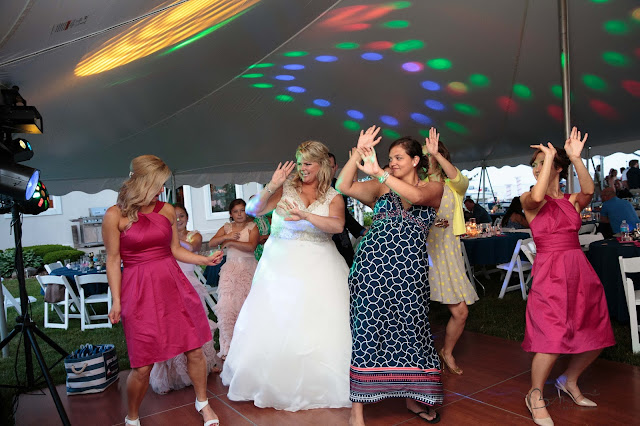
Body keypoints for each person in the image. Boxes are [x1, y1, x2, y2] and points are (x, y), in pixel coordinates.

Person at [221, 141, 352, 411]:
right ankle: (271, 381)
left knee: (319, 322)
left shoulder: (332, 195)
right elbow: (253, 211)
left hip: (320, 263)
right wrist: (271, 184)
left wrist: (305, 215)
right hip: (280, 265)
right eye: (300, 162)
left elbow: (337, 224)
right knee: (277, 320)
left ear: (322, 164)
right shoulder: (286, 187)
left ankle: (320, 382)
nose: (302, 168)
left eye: (308, 163)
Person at [102, 155, 223, 426]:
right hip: (139, 290)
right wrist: (117, 301)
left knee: (194, 349)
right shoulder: (114, 215)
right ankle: (132, 417)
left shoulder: (166, 210)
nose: (161, 190)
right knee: (143, 365)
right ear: (143, 182)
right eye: (158, 184)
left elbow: (175, 249)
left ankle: (203, 403)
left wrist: (204, 259)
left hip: (173, 285)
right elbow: (112, 260)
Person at [337, 126, 445, 425]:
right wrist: (359, 153)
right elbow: (343, 186)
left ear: (415, 160)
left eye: (398, 157)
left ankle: (414, 397)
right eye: (390, 158)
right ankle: (356, 409)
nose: (393, 162)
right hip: (372, 267)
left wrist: (382, 174)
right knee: (367, 330)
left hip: (410, 272)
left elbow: (417, 196)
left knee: (413, 330)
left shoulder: (433, 186)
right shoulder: (380, 187)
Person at [520, 128, 615, 425]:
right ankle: (534, 395)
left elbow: (588, 190)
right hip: (550, 273)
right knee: (551, 338)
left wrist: (575, 157)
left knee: (596, 335)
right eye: (535, 164)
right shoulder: (528, 199)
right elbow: (537, 196)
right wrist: (547, 158)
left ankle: (569, 381)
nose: (537, 169)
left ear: (558, 169)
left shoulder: (572, 200)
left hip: (579, 272)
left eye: (543, 163)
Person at [422, 127, 478, 376]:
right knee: (416, 310)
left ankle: (447, 351)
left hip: (447, 250)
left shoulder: (453, 186)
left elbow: (460, 180)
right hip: (422, 250)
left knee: (461, 311)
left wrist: (438, 155)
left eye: (432, 154)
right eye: (425, 155)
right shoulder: (417, 185)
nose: (428, 158)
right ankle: (418, 360)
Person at [149, 204, 221, 394]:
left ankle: (205, 363)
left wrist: (172, 237)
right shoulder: (164, 235)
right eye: (175, 216)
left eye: (181, 216)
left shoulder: (194, 235)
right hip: (168, 284)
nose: (178, 219)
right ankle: (175, 372)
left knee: (196, 323)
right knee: (172, 326)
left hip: (188, 284)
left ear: (187, 218)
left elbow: (193, 247)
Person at [208, 199, 259, 359]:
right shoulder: (227, 227)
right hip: (230, 270)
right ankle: (229, 345)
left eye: (242, 210)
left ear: (246, 212)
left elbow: (251, 246)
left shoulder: (252, 227)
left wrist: (230, 242)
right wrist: (227, 236)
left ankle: (250, 344)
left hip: (248, 267)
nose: (239, 214)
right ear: (231, 213)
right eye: (236, 211)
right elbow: (211, 243)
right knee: (228, 306)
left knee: (247, 305)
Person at [329, 152, 366, 267]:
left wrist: (362, 231)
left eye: (330, 167)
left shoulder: (339, 185)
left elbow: (345, 214)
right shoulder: (311, 187)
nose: (327, 170)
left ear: (335, 167)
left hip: (341, 240)